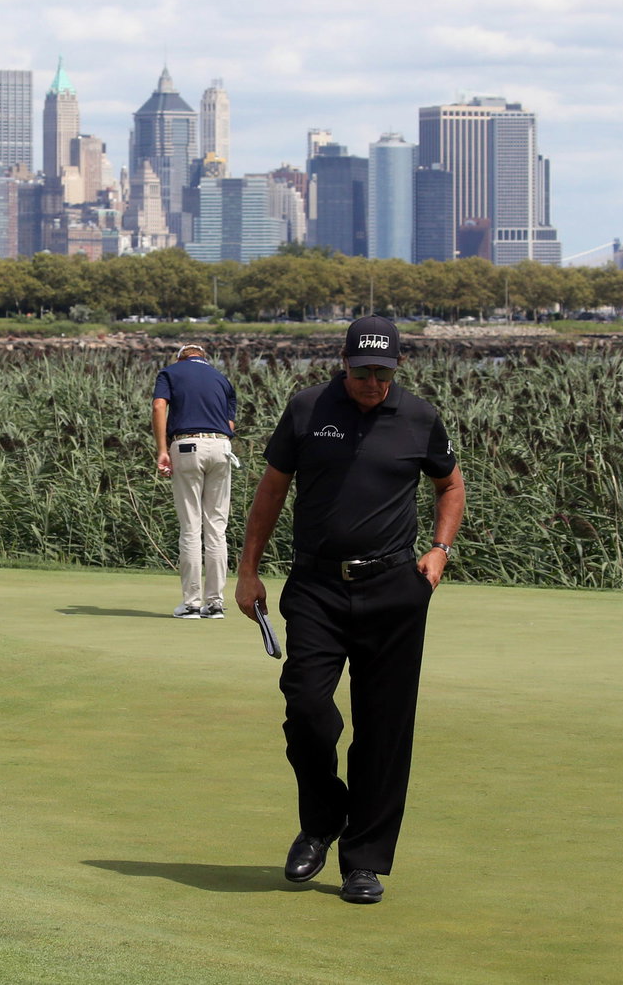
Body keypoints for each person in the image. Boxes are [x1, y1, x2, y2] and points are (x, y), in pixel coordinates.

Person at [233, 316, 465, 905]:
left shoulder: (418, 416)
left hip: (394, 587)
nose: (372, 383)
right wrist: (248, 569)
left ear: (397, 367)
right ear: (343, 361)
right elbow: (272, 488)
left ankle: (364, 861)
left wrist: (438, 553)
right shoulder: (308, 409)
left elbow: (450, 485)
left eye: (383, 373)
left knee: (384, 729)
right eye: (362, 371)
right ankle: (323, 818)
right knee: (307, 707)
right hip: (317, 586)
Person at [152, 343, 237, 619]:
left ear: (181, 357)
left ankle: (191, 603)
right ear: (203, 358)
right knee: (216, 528)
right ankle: (214, 603)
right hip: (222, 447)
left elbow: (158, 406)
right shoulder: (221, 378)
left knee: (191, 527)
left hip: (187, 445)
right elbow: (230, 424)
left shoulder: (170, 372)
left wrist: (162, 450)